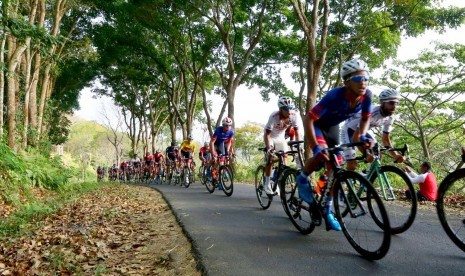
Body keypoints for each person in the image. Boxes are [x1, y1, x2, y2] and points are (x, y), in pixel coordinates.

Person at [296, 58, 373, 231]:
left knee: (336, 166)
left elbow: (365, 119)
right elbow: (309, 118)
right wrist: (315, 147)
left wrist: (361, 135)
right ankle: (302, 178)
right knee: (321, 155)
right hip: (317, 125)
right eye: (357, 79)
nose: (363, 82)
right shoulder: (334, 96)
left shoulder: (367, 95)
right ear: (346, 82)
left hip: (332, 128)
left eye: (366, 78)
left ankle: (327, 209)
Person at [341, 88, 405, 170]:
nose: (394, 106)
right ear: (382, 102)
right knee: (352, 165)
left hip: (361, 133)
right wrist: (365, 154)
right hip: (348, 131)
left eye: (396, 103)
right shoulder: (371, 113)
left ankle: (368, 180)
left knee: (377, 155)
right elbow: (355, 138)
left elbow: (385, 140)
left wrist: (395, 155)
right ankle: (339, 181)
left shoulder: (390, 117)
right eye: (391, 103)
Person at [262, 96, 301, 196]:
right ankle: (267, 184)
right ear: (280, 109)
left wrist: (299, 147)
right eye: (286, 109)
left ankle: (277, 182)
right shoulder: (273, 116)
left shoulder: (293, 115)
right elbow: (267, 134)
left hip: (281, 138)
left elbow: (297, 133)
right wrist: (269, 148)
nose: (289, 111)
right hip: (271, 137)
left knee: (284, 161)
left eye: (290, 108)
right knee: (270, 157)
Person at [210, 117, 235, 188]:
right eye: (226, 125)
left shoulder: (231, 132)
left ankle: (221, 180)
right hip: (214, 144)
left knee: (221, 162)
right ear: (223, 125)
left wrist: (227, 151)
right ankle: (213, 173)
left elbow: (230, 142)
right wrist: (213, 154)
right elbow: (212, 142)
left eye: (230, 125)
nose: (228, 127)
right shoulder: (218, 130)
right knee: (215, 160)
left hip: (221, 144)